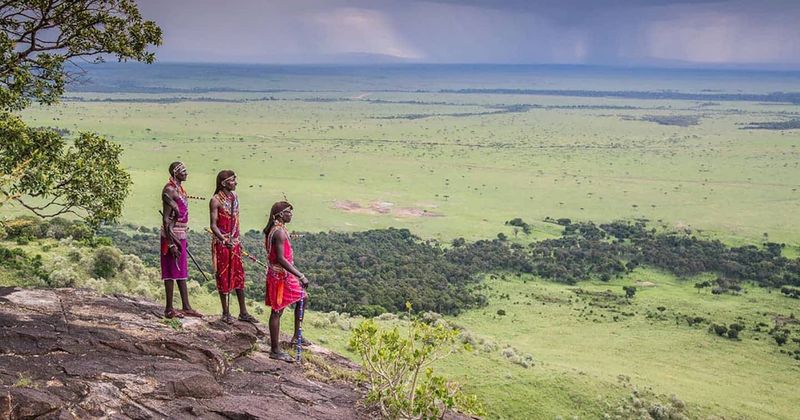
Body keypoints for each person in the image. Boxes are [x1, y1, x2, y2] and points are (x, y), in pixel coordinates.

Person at [209, 170, 258, 324]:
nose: (235, 183)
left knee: (239, 276)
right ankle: (225, 313)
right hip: (223, 244)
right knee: (223, 276)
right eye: (232, 180)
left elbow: (236, 221)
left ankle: (243, 312)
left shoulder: (235, 197)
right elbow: (213, 225)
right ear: (223, 183)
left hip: (235, 243)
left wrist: (238, 239)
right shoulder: (215, 200)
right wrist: (224, 239)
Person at [264, 201, 309, 362]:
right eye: (288, 212)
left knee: (303, 297)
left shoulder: (277, 229)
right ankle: (275, 350)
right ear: (280, 215)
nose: (291, 214)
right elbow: (282, 259)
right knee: (277, 310)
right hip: (280, 276)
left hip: (282, 275)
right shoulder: (279, 233)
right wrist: (300, 275)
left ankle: (297, 336)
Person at [160, 161, 203, 319]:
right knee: (171, 270)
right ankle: (169, 309)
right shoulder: (169, 190)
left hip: (181, 233)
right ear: (175, 173)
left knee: (181, 270)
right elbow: (166, 220)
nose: (186, 173)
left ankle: (186, 306)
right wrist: (171, 243)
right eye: (182, 171)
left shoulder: (180, 189)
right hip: (171, 234)